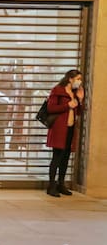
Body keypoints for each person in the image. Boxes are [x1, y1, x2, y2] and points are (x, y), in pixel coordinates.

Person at [46, 69, 84, 197]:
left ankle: (61, 184)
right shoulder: (57, 90)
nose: (80, 82)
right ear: (70, 79)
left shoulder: (74, 93)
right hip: (59, 129)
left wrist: (80, 100)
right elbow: (51, 108)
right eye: (78, 79)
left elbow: (78, 112)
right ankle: (51, 186)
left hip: (70, 129)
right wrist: (68, 105)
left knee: (66, 157)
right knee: (57, 157)